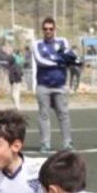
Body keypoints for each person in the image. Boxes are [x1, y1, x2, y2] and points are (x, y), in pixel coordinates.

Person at [32, 17, 77, 152]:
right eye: (45, 29)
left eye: (51, 29)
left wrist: (59, 60)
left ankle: (67, 143)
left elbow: (69, 57)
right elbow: (40, 61)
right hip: (43, 85)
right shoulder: (37, 44)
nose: (48, 31)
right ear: (42, 30)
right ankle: (45, 144)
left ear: (54, 29)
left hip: (60, 85)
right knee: (43, 115)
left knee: (63, 114)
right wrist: (58, 61)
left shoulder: (63, 41)